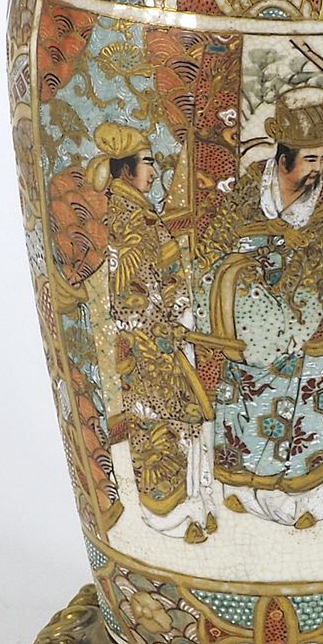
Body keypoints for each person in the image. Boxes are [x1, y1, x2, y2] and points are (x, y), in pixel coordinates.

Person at [195, 88, 323, 528]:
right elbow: (219, 236)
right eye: (310, 159)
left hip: (300, 302)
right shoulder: (252, 184)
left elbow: (318, 261)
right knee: (244, 388)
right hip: (249, 305)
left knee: (303, 386)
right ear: (283, 157)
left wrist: (288, 312)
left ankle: (304, 499)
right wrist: (235, 280)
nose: (318, 169)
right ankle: (244, 487)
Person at [90, 122, 217, 543]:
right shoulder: (129, 220)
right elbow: (131, 296)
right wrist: (164, 329)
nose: (153, 170)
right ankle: (172, 518)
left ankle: (193, 509)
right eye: (147, 162)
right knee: (161, 429)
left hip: (162, 338)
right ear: (126, 170)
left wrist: (175, 318)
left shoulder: (139, 212)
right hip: (149, 345)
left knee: (181, 422)